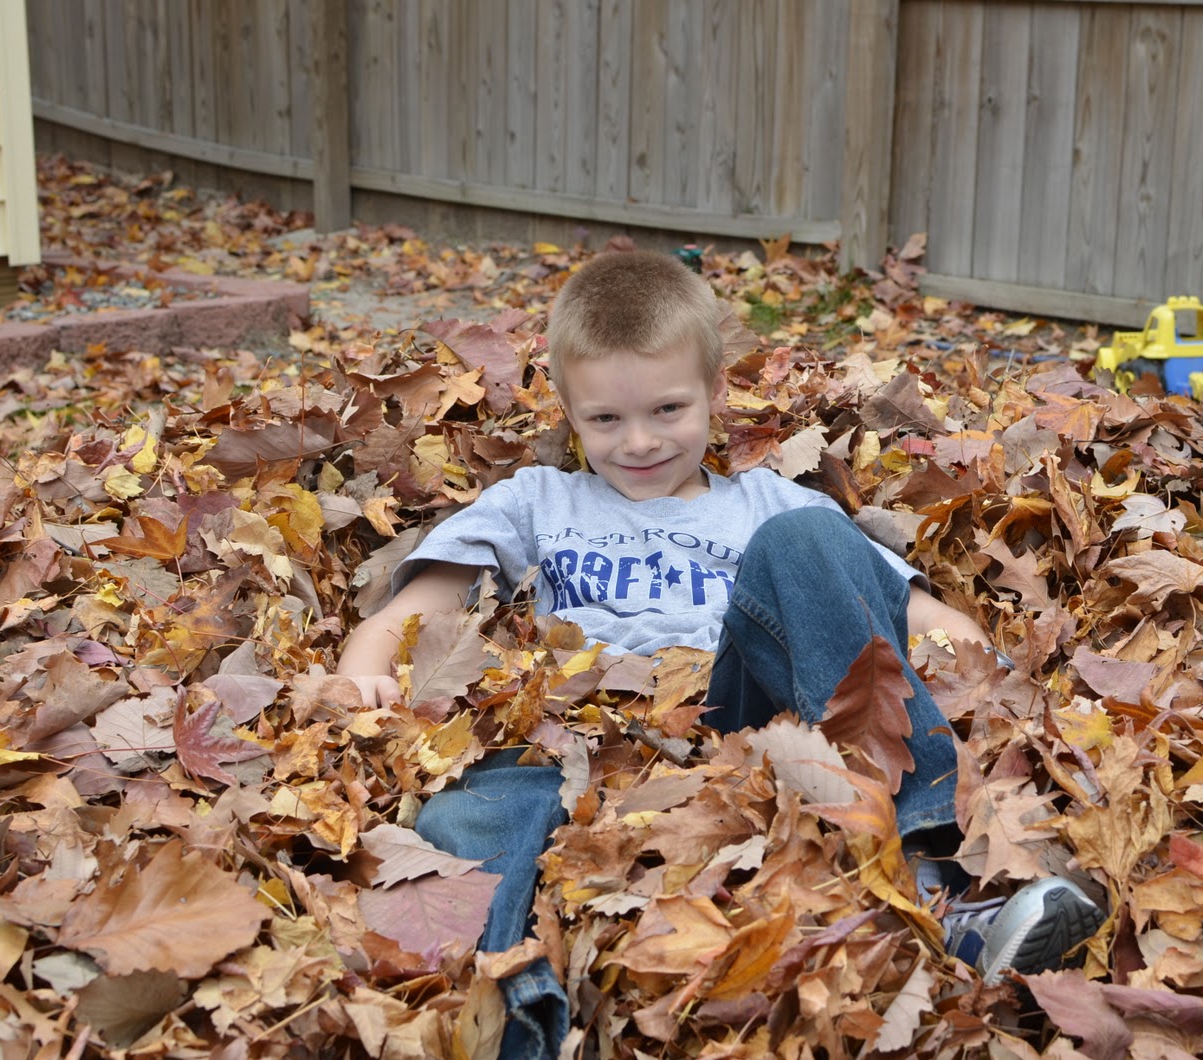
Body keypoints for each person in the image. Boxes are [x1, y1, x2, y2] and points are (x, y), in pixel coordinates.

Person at [334, 250, 1102, 1057]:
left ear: (714, 392)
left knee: (806, 539)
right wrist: (364, 666)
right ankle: (517, 1020)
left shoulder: (766, 502)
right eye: (605, 420)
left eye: (668, 409)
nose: (639, 441)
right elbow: (415, 608)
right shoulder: (539, 500)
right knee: (470, 811)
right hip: (586, 734)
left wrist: (998, 687)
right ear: (567, 409)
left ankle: (943, 881)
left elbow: (912, 617)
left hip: (742, 713)